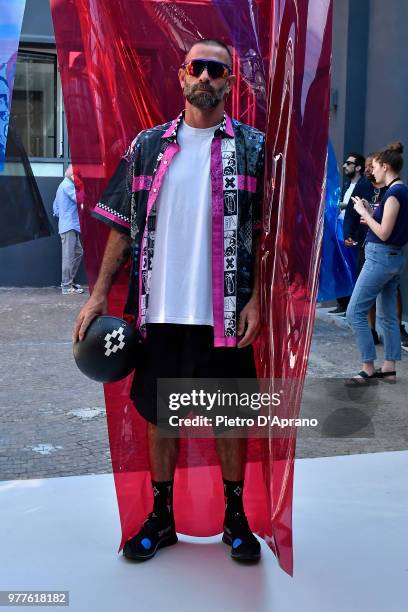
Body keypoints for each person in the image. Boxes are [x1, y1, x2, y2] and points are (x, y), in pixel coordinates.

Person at [73, 39, 264, 562]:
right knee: (162, 417)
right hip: (160, 312)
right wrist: (96, 297)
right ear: (182, 77)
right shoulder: (148, 147)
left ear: (230, 81)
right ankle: (161, 519)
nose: (205, 77)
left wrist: (258, 299)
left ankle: (235, 518)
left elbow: (267, 237)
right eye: (196, 68)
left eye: (216, 70)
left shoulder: (253, 147)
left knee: (229, 417)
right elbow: (123, 230)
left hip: (224, 313)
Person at [345, 142, 408, 385]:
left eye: (375, 167)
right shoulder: (398, 192)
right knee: (387, 315)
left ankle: (367, 367)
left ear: (386, 166)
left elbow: (383, 233)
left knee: (354, 312)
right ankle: (389, 368)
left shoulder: (395, 193)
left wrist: (364, 212)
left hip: (380, 257)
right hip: (391, 258)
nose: (372, 171)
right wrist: (372, 211)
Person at [329, 152, 370, 315]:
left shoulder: (363, 185)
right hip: (340, 229)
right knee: (338, 267)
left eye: (349, 163)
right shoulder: (346, 185)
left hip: (352, 232)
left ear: (358, 167)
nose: (345, 166)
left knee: (352, 266)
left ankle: (352, 307)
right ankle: (343, 303)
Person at [53, 164, 84, 294]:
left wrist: (62, 216)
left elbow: (55, 207)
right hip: (68, 226)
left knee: (78, 252)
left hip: (69, 225)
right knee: (68, 256)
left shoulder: (63, 185)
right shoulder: (67, 185)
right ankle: (66, 286)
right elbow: (80, 199)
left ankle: (69, 281)